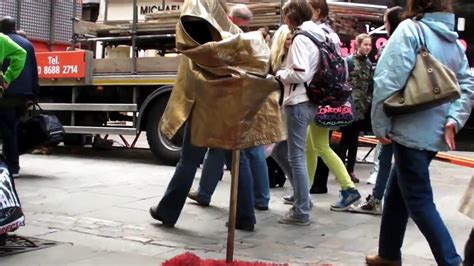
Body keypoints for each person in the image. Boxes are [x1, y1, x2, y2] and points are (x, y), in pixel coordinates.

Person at [366, 0, 473, 264]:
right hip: (435, 132)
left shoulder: (410, 31)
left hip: (409, 128)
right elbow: (466, 83)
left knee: (418, 199)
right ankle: (388, 254)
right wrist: (453, 120)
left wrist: (379, 124)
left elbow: (387, 80)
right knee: (397, 192)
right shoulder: (451, 39)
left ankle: (451, 261)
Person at [186, 4, 271, 212]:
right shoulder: (257, 41)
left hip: (231, 102)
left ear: (230, 19)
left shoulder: (231, 40)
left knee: (223, 148)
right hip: (253, 99)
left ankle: (211, 194)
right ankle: (260, 197)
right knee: (250, 150)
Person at [280, 0, 362, 212]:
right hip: (324, 96)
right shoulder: (328, 34)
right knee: (312, 146)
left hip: (314, 95)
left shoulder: (313, 35)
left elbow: (303, 71)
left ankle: (345, 187)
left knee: (316, 147)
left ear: (316, 11)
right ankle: (304, 191)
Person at [272, 0, 325, 226]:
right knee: (279, 149)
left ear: (291, 17)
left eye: (286, 16)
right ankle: (303, 197)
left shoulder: (302, 38)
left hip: (298, 101)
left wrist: (281, 74)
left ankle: (301, 210)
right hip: (309, 101)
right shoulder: (318, 35)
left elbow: (300, 73)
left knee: (296, 156)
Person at [350, 6, 403, 215]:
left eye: (385, 22)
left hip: (393, 112)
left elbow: (384, 86)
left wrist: (379, 123)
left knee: (388, 158)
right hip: (405, 113)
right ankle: (383, 198)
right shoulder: (412, 42)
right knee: (393, 160)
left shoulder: (394, 46)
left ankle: (381, 199)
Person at [337, 33, 373, 184]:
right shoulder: (349, 61)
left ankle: (350, 169)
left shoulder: (369, 64)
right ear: (358, 45)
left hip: (362, 107)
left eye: (370, 45)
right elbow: (342, 82)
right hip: (349, 105)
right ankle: (340, 170)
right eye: (365, 44)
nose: (368, 48)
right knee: (345, 139)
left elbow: (370, 85)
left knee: (354, 140)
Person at [0, 17, 28, 176]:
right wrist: (7, 78)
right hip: (7, 93)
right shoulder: (2, 39)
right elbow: (20, 54)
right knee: (8, 129)